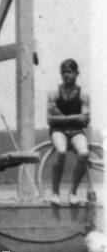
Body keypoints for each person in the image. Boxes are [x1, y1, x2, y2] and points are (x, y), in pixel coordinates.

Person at [47, 59, 91, 205]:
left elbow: (84, 121)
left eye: (69, 72)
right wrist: (75, 117)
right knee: (61, 151)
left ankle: (73, 192)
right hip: (58, 130)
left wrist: (61, 116)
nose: (66, 75)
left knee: (84, 153)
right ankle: (55, 192)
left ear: (77, 73)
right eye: (63, 72)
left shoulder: (83, 95)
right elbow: (50, 120)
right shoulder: (54, 93)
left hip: (76, 131)